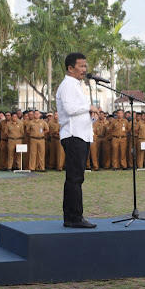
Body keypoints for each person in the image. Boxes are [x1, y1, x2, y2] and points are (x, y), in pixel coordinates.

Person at [55, 52, 97, 229]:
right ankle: (74, 217)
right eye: (80, 66)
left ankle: (71, 217)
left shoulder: (77, 85)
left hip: (81, 134)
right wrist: (89, 107)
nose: (84, 69)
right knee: (75, 178)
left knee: (76, 177)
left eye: (85, 66)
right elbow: (70, 109)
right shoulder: (68, 85)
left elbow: (77, 112)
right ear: (70, 68)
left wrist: (91, 114)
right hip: (73, 136)